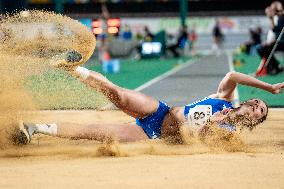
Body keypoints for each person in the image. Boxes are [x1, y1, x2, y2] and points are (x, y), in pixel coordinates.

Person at [17, 50, 284, 145]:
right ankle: (72, 68)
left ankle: (35, 128)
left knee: (95, 132)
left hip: (155, 135)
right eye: (257, 103)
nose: (256, 106)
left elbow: (197, 141)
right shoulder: (224, 99)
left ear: (253, 121)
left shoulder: (230, 133)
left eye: (260, 111)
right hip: (161, 111)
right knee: (118, 95)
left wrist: (214, 123)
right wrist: (268, 89)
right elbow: (232, 74)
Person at [256, 1, 284, 76]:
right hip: (278, 41)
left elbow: (276, 30)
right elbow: (274, 31)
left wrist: (271, 18)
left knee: (263, 49)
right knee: (262, 48)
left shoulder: (281, 17)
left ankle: (272, 68)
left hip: (282, 42)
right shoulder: (277, 17)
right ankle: (274, 67)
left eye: (272, 9)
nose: (271, 11)